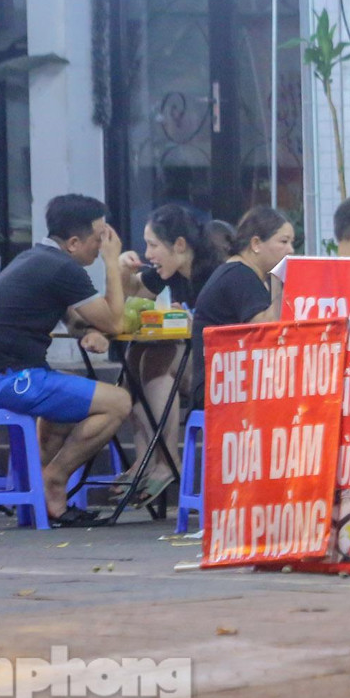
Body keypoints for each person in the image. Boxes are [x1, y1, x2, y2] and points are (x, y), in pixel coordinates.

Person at [0, 195, 133, 528]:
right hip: (8, 379)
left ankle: (35, 492)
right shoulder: (63, 269)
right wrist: (113, 263)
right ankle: (54, 479)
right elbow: (115, 321)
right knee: (119, 402)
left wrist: (97, 330)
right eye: (99, 239)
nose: (102, 246)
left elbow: (79, 321)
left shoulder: (36, 259)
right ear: (73, 243)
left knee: (66, 394)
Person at [114, 204, 225, 503]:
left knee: (156, 361)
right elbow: (134, 291)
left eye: (153, 245)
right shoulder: (170, 272)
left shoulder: (215, 272)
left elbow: (226, 330)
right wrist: (122, 268)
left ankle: (166, 461)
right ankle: (147, 460)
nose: (148, 254)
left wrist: (195, 321)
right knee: (137, 357)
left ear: (179, 244)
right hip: (196, 361)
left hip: (223, 370)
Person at [190, 207, 295, 409]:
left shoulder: (246, 272)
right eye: (283, 242)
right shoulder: (239, 275)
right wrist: (285, 281)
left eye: (291, 242)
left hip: (233, 379)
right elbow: (266, 331)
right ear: (256, 244)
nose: (291, 250)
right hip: (219, 386)